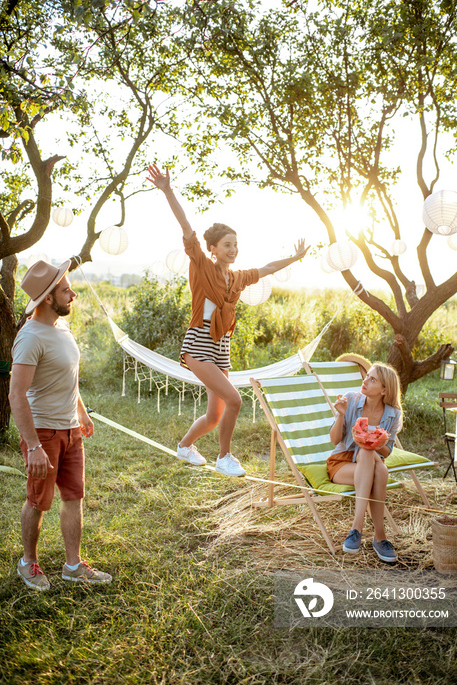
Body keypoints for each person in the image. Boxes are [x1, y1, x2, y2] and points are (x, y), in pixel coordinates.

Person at [147, 163, 310, 477]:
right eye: (227, 245)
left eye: (236, 245)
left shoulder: (237, 278)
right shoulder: (200, 265)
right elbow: (186, 227)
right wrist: (168, 190)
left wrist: (295, 257)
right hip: (199, 342)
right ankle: (225, 456)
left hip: (222, 344)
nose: (233, 249)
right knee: (234, 400)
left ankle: (184, 447)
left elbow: (267, 268)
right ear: (213, 249)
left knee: (215, 414)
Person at [9, 259, 112, 590]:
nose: (74, 294)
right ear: (48, 298)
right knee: (38, 501)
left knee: (73, 496)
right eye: (66, 289)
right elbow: (16, 395)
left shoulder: (61, 328)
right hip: (44, 433)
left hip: (71, 431)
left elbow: (68, 376)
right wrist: (34, 446)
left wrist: (80, 411)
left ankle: (72, 565)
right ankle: (28, 562)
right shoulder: (30, 338)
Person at [327, 362, 403, 562]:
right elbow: (334, 440)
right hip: (342, 463)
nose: (365, 381)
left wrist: (374, 440)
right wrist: (341, 415)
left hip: (371, 463)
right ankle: (376, 536)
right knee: (380, 470)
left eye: (372, 379)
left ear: (384, 390)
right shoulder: (351, 400)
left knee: (373, 458)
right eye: (367, 376)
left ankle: (358, 532)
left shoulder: (393, 414)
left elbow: (387, 451)